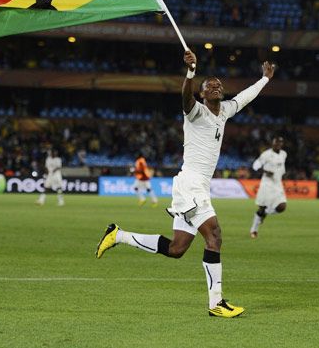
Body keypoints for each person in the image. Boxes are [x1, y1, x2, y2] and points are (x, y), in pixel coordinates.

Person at [96, 49, 276, 318]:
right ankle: (216, 303)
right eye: (209, 86)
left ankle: (118, 235)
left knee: (176, 249)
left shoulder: (225, 111)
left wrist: (264, 79)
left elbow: (245, 97)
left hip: (194, 186)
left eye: (218, 85)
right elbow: (185, 99)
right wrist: (191, 72)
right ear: (202, 94)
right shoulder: (195, 112)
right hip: (191, 184)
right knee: (214, 237)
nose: (215, 87)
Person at [249, 136, 287, 238]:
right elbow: (255, 165)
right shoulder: (266, 154)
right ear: (272, 143)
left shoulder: (283, 154)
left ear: (282, 144)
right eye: (276, 142)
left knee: (282, 207)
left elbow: (281, 168)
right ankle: (254, 230)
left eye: (280, 142)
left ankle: (265, 212)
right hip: (267, 184)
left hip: (278, 184)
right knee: (261, 207)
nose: (278, 144)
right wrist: (265, 171)